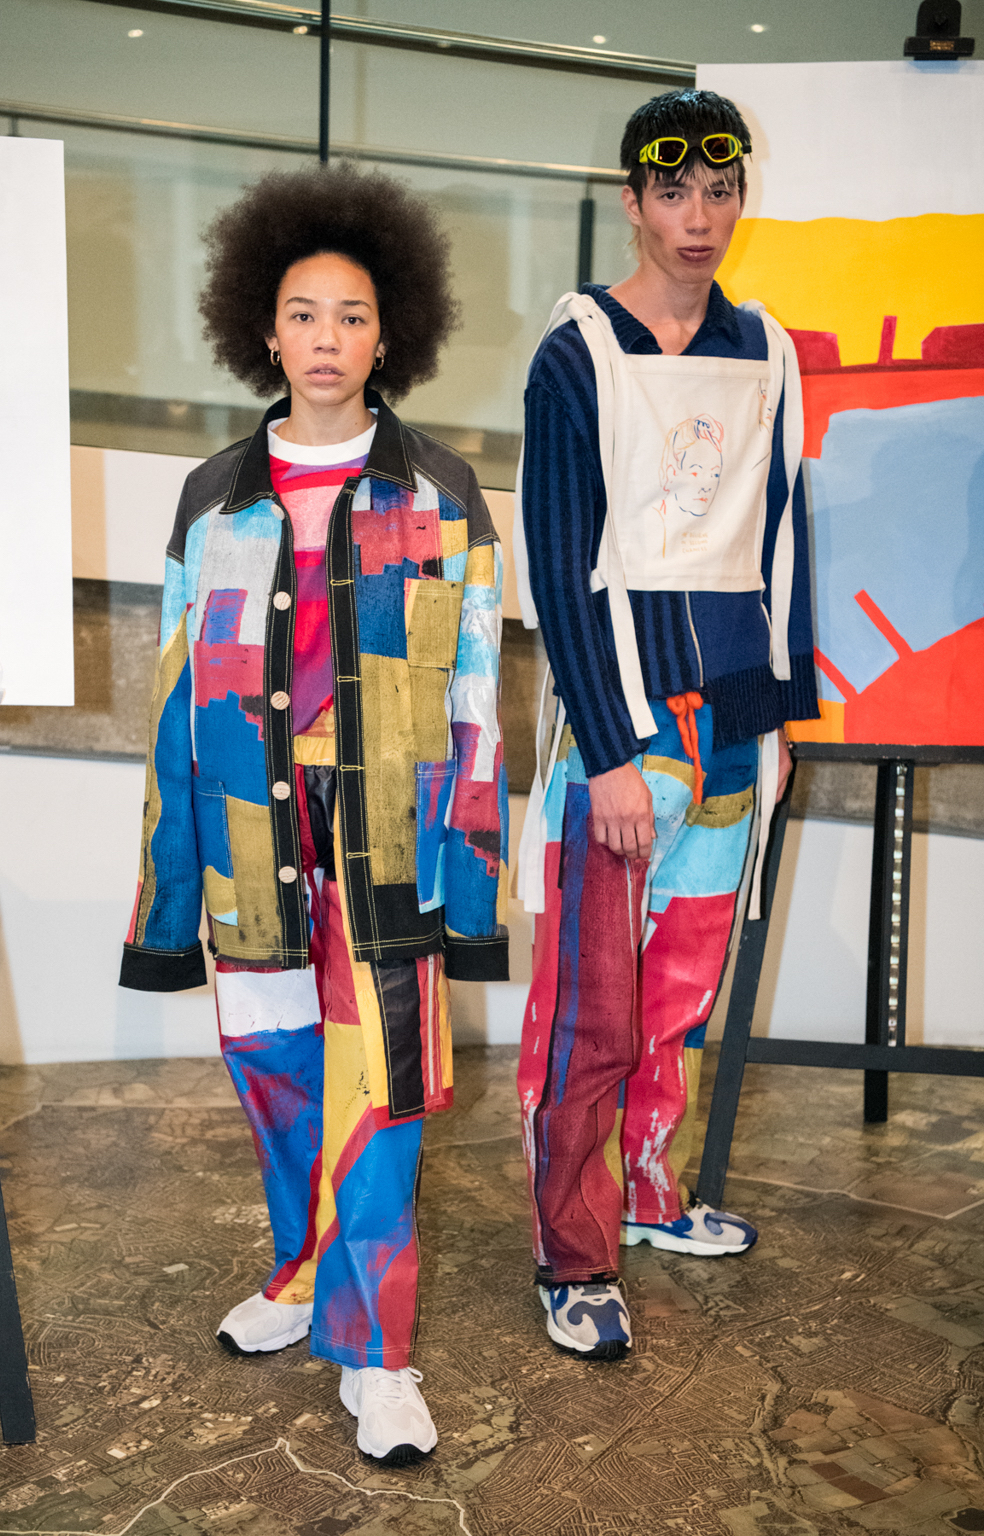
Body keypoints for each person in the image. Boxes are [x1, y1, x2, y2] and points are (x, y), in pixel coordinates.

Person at [119, 163, 508, 1461]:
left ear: (389, 335)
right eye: (303, 314)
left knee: (381, 1098)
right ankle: (300, 1274)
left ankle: (379, 1355)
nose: (327, 338)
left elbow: (472, 698)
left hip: (385, 847)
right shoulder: (212, 496)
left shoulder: (441, 492)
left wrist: (469, 881)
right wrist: (169, 890)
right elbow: (174, 705)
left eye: (351, 315)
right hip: (248, 845)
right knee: (279, 1080)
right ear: (263, 330)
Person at [513, 89, 819, 1360]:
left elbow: (779, 540)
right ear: (633, 198)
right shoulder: (577, 350)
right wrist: (606, 750)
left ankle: (649, 1194)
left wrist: (773, 720)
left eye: (720, 188)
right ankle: (572, 1256)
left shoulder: (766, 347)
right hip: (625, 733)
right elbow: (557, 561)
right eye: (674, 190)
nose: (699, 215)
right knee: (591, 1009)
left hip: (730, 729)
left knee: (681, 993)